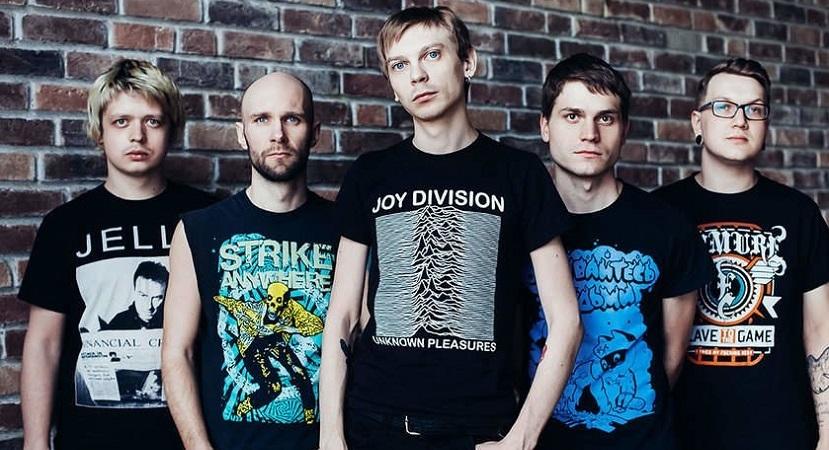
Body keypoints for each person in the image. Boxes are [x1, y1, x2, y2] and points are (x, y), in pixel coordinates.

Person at [318, 6, 582, 450]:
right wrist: (330, 436)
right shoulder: (370, 174)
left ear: (468, 62)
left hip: (479, 425)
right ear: (393, 86)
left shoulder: (518, 173)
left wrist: (521, 440)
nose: (417, 75)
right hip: (375, 422)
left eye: (432, 55)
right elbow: (341, 316)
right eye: (400, 65)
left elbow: (566, 320)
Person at [18, 59, 214, 450]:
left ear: (171, 130)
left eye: (152, 121)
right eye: (121, 121)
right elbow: (44, 344)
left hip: (191, 435)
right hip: (92, 436)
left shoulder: (208, 217)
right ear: (100, 132)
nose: (137, 135)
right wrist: (35, 441)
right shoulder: (65, 225)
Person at [526, 53, 713, 450]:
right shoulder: (516, 226)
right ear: (545, 126)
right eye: (572, 116)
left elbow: (671, 357)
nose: (590, 134)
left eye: (605, 118)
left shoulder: (668, 226)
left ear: (624, 129)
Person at [655, 58, 829, 450]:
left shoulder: (798, 213)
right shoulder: (660, 212)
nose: (740, 120)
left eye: (754, 109)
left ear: (766, 124)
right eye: (724, 107)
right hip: (681, 434)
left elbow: (821, 330)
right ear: (697, 122)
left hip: (782, 434)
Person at [161, 72, 339, 450]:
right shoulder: (199, 229)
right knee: (269, 386)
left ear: (315, 133)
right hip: (233, 436)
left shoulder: (346, 229)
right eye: (261, 119)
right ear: (242, 134)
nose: (278, 134)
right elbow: (178, 352)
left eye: (292, 118)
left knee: (299, 380)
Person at [101, 261, 169, 330]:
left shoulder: (171, 320)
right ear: (134, 291)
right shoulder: (118, 323)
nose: (149, 306)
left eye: (157, 298)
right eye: (143, 296)